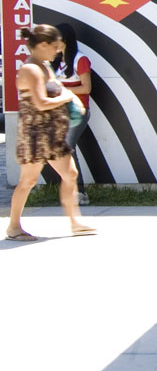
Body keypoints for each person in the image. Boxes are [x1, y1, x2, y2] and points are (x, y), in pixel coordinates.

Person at [6, 25, 95, 241]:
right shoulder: (31, 69)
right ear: (43, 45)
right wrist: (67, 99)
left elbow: (60, 89)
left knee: (70, 174)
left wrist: (72, 99)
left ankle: (75, 222)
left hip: (51, 131)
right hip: (35, 134)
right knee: (28, 180)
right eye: (54, 46)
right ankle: (13, 227)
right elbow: (42, 102)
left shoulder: (44, 66)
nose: (57, 51)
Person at [53, 23, 92, 206]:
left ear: (66, 40)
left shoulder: (80, 59)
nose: (54, 44)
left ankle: (80, 193)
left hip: (78, 111)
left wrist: (64, 91)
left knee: (68, 147)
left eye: (57, 40)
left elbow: (87, 87)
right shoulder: (57, 61)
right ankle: (70, 191)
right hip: (60, 113)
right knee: (61, 150)